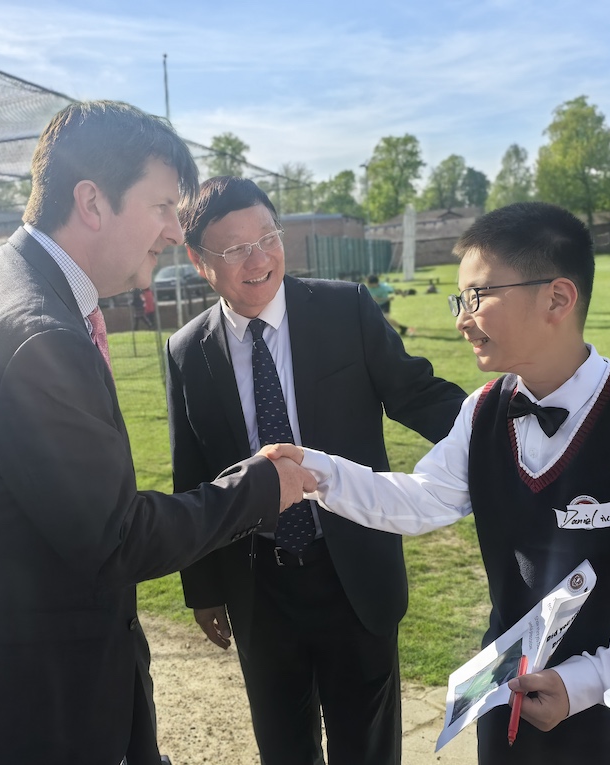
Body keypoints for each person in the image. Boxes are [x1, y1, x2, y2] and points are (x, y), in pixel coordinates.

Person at [0, 102, 316, 765]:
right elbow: (116, 537)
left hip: (12, 653)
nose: (175, 231)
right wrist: (261, 486)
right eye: (162, 206)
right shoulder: (36, 333)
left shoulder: (7, 284)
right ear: (91, 202)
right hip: (19, 695)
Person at [266, 202, 610, 764]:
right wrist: (314, 472)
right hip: (513, 697)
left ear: (557, 299)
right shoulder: (484, 410)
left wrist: (586, 682)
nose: (462, 320)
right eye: (460, 301)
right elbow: (424, 497)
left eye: (478, 296)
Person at [167, 177, 466, 765]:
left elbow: (418, 394)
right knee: (283, 746)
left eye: (268, 237)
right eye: (235, 249)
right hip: (259, 585)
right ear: (199, 262)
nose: (259, 259)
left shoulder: (344, 308)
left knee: (367, 748)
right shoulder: (187, 350)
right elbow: (193, 474)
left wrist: (507, 434)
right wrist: (203, 590)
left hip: (353, 571)